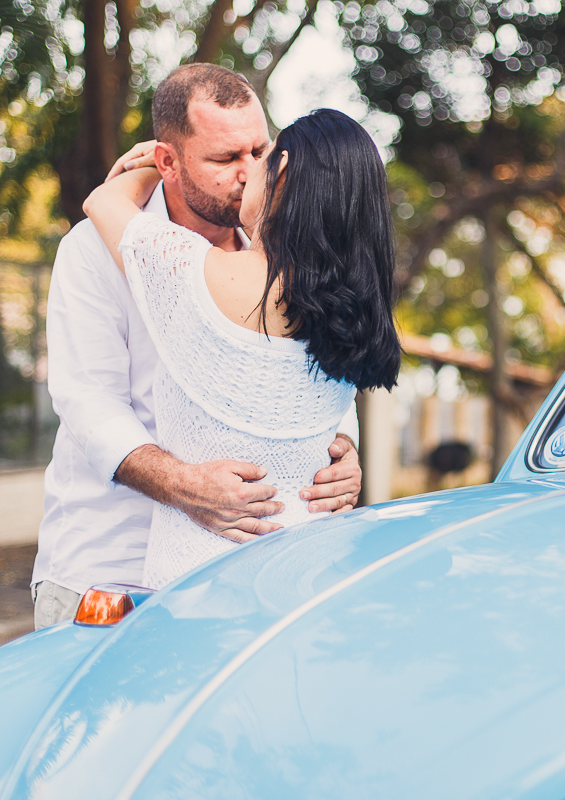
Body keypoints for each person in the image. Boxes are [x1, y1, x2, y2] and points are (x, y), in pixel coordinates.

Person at [31, 65, 364, 627]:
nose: (248, 172)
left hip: (247, 579)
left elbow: (321, 372)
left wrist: (343, 450)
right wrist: (185, 486)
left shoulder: (287, 253)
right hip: (112, 569)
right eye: (224, 158)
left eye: (260, 151)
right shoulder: (92, 251)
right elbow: (88, 402)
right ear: (167, 161)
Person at [83, 107, 401, 588]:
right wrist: (346, 450)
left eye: (263, 155)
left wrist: (153, 162)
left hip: (197, 585)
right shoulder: (353, 314)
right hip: (311, 580)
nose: (249, 170)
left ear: (285, 172)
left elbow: (103, 203)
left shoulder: (194, 271)